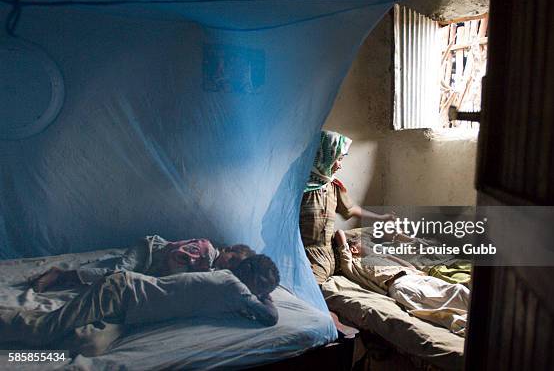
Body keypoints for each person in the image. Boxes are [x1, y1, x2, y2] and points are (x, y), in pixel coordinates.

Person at [1, 254, 281, 350]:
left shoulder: (227, 284)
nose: (260, 294)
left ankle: (40, 326)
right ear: (248, 276)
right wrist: (265, 296)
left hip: (130, 312)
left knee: (88, 345)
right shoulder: (232, 285)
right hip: (121, 291)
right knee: (44, 331)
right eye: (261, 287)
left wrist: (260, 291)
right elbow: (270, 317)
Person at [300, 130, 394, 284]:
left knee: (374, 248)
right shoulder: (298, 188)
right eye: (338, 159)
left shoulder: (333, 186)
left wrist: (381, 218)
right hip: (308, 255)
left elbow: (350, 209)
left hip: (330, 252)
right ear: (324, 157)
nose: (340, 166)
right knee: (316, 291)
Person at [333, 229, 470, 335]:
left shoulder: (380, 255)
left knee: (457, 289)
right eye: (365, 244)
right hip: (399, 285)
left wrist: (406, 266)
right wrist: (350, 241)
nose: (369, 246)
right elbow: (340, 235)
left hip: (414, 276)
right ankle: (463, 323)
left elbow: (407, 265)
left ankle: (484, 314)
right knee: (434, 306)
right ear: (354, 249)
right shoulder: (354, 264)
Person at [31, 236, 255, 292]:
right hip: (148, 249)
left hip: (149, 264)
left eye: (234, 267)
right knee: (117, 275)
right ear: (227, 249)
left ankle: (84, 269)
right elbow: (177, 255)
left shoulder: (213, 269)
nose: (230, 265)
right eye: (232, 258)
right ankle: (60, 274)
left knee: (116, 270)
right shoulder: (206, 250)